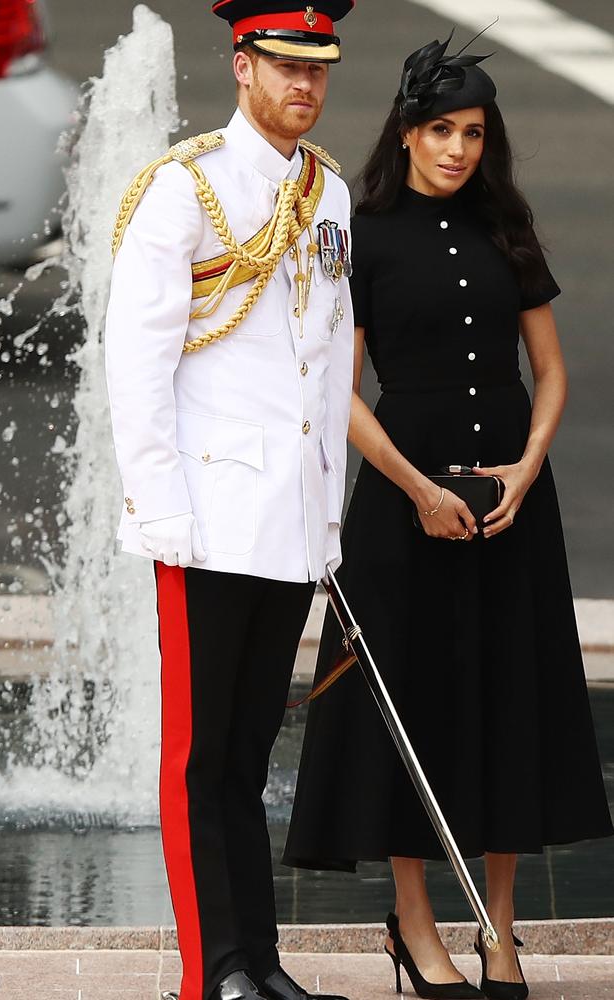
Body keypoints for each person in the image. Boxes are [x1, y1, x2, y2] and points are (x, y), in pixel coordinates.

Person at [283, 31, 614, 1000]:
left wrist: (526, 465)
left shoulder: (503, 227)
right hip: (402, 504)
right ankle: (414, 924)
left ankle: (499, 932)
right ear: (408, 132)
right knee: (411, 710)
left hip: (511, 502)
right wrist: (417, 489)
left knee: (507, 702)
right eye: (439, 130)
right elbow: (335, 395)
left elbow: (547, 369)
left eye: (471, 132)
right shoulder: (363, 232)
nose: (457, 148)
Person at [104, 4, 356, 1000]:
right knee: (198, 762)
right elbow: (139, 363)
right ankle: (213, 975)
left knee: (248, 758)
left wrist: (326, 520)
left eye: (317, 70)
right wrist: (162, 511)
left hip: (285, 525)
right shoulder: (184, 187)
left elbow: (327, 360)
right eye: (285, 67)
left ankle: (260, 961)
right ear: (244, 66)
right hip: (205, 519)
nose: (304, 87)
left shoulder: (326, 190)